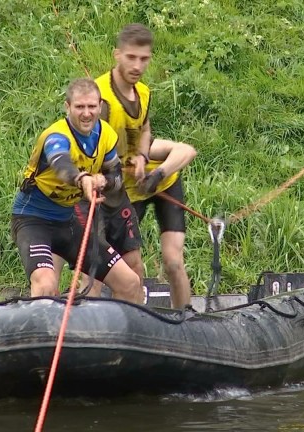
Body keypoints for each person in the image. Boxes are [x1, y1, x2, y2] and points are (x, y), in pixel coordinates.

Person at [11, 78, 143, 303]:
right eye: (80, 107)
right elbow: (60, 164)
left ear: (100, 107)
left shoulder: (106, 135)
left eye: (92, 107)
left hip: (68, 223)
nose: (86, 113)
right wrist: (82, 179)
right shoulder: (57, 137)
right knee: (46, 284)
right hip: (33, 220)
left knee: (130, 282)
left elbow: (117, 176)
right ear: (67, 107)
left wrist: (104, 181)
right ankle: (45, 334)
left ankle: (121, 335)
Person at [95, 23, 198, 308]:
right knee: (116, 266)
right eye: (131, 57)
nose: (137, 65)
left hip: (160, 184)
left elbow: (145, 128)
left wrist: (145, 160)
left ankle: (184, 319)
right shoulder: (100, 97)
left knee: (173, 261)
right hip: (124, 191)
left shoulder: (143, 92)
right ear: (117, 55)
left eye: (144, 59)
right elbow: (91, 144)